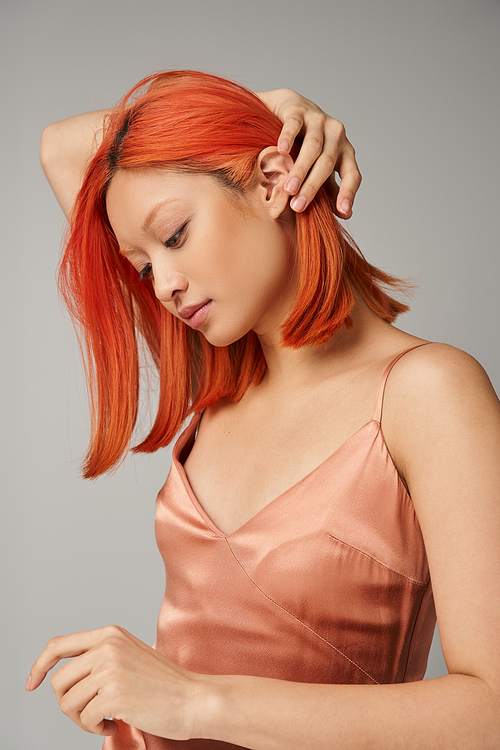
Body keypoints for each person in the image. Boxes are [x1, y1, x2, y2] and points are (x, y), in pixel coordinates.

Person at [27, 70, 500, 749]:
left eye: (177, 233)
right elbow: (58, 148)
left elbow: (491, 713)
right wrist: (267, 104)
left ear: (275, 181)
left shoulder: (426, 393)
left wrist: (195, 703)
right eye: (141, 265)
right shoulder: (222, 377)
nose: (162, 284)